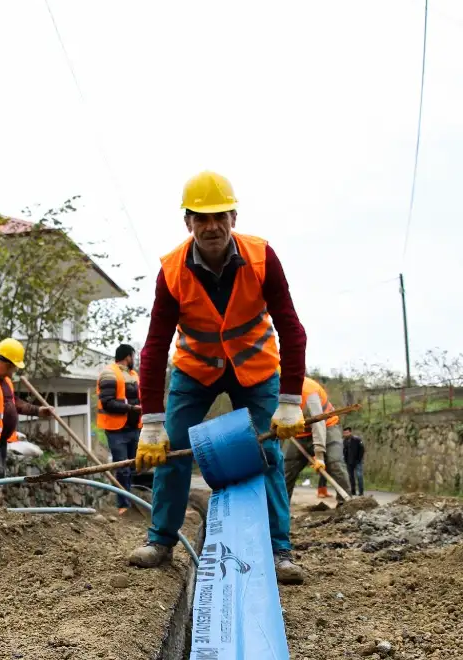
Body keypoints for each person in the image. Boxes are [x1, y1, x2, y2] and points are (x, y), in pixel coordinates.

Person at [129, 170, 310, 585]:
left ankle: (279, 549)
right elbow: (154, 349)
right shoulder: (172, 271)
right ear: (187, 222)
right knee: (172, 450)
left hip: (256, 367)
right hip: (196, 369)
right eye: (201, 218)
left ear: (233, 217)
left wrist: (289, 399)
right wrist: (152, 423)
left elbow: (292, 329)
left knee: (269, 452)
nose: (211, 227)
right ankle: (160, 540)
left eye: (219, 217)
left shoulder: (263, 257)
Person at [0, 338, 56, 507]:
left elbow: (14, 403)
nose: (12, 371)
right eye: (10, 366)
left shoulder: (4, 380)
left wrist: (38, 410)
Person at [284, 376, 352, 505]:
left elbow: (318, 424)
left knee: (335, 462)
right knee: (286, 469)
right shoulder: (272, 391)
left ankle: (346, 505)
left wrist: (319, 455)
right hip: (299, 434)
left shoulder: (309, 392)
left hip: (327, 426)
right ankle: (281, 511)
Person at [97, 343, 143, 514]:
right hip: (116, 429)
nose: (134, 360)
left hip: (133, 427)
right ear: (127, 356)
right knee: (122, 467)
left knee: (131, 466)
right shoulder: (109, 373)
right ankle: (123, 505)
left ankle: (130, 499)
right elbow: (108, 402)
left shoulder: (133, 375)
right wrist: (131, 409)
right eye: (133, 356)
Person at [342, 427, 365, 496]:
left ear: (350, 432)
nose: (346, 434)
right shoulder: (345, 441)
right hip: (349, 462)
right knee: (351, 477)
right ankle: (353, 491)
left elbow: (362, 449)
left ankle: (361, 491)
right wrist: (345, 460)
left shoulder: (357, 439)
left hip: (357, 461)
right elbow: (344, 451)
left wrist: (359, 459)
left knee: (359, 476)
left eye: (347, 432)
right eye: (344, 433)